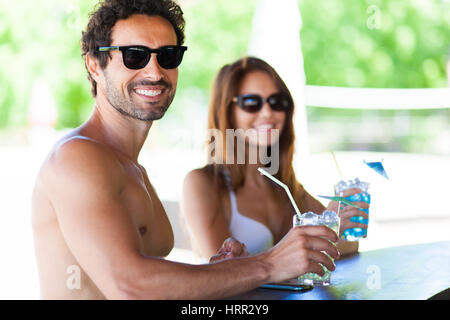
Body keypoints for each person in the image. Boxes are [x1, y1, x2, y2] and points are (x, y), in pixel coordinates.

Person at [31, 0, 339, 300]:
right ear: (95, 64)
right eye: (134, 56)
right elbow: (130, 287)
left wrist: (224, 271)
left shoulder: (132, 168)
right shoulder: (76, 158)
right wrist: (267, 264)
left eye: (167, 56)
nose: (154, 72)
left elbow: (151, 282)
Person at [181, 57, 369, 261]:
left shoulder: (286, 186)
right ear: (226, 110)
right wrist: (322, 229)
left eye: (277, 102)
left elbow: (349, 245)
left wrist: (338, 222)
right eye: (252, 102)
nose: (268, 112)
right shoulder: (202, 183)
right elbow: (221, 270)